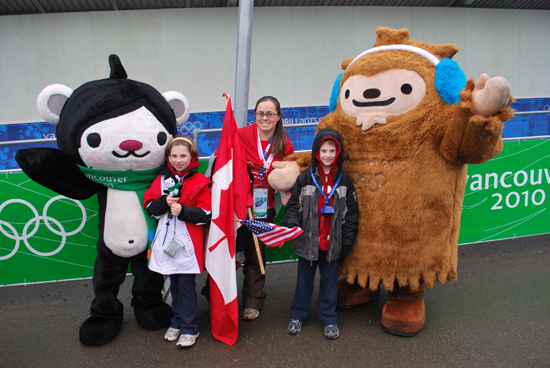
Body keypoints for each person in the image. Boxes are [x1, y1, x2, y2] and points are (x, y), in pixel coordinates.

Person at [284, 128, 359, 339]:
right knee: (303, 283)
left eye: (332, 150)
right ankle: (298, 315)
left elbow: (352, 214)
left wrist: (347, 240)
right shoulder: (305, 178)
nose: (327, 155)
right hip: (307, 243)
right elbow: (293, 207)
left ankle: (329, 319)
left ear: (338, 153)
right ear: (317, 152)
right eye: (324, 150)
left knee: (329, 284)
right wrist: (293, 226)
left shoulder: (345, 180)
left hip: (332, 245)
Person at [143, 137, 212, 348]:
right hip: (166, 244)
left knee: (186, 287)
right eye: (174, 156)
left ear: (192, 156)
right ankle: (177, 322)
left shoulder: (199, 180)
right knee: (173, 287)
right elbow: (149, 206)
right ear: (168, 157)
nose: (179, 160)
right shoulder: (161, 180)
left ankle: (190, 327)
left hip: (188, 245)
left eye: (183, 155)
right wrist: (163, 202)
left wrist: (183, 211)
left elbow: (207, 213)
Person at [237, 96, 294, 320]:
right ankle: (218, 298)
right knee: (229, 253)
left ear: (279, 117)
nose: (265, 118)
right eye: (261, 113)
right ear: (255, 116)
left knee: (256, 254)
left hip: (264, 207)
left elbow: (287, 173)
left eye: (270, 114)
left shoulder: (283, 142)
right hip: (239, 204)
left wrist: (286, 192)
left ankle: (253, 301)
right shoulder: (241, 135)